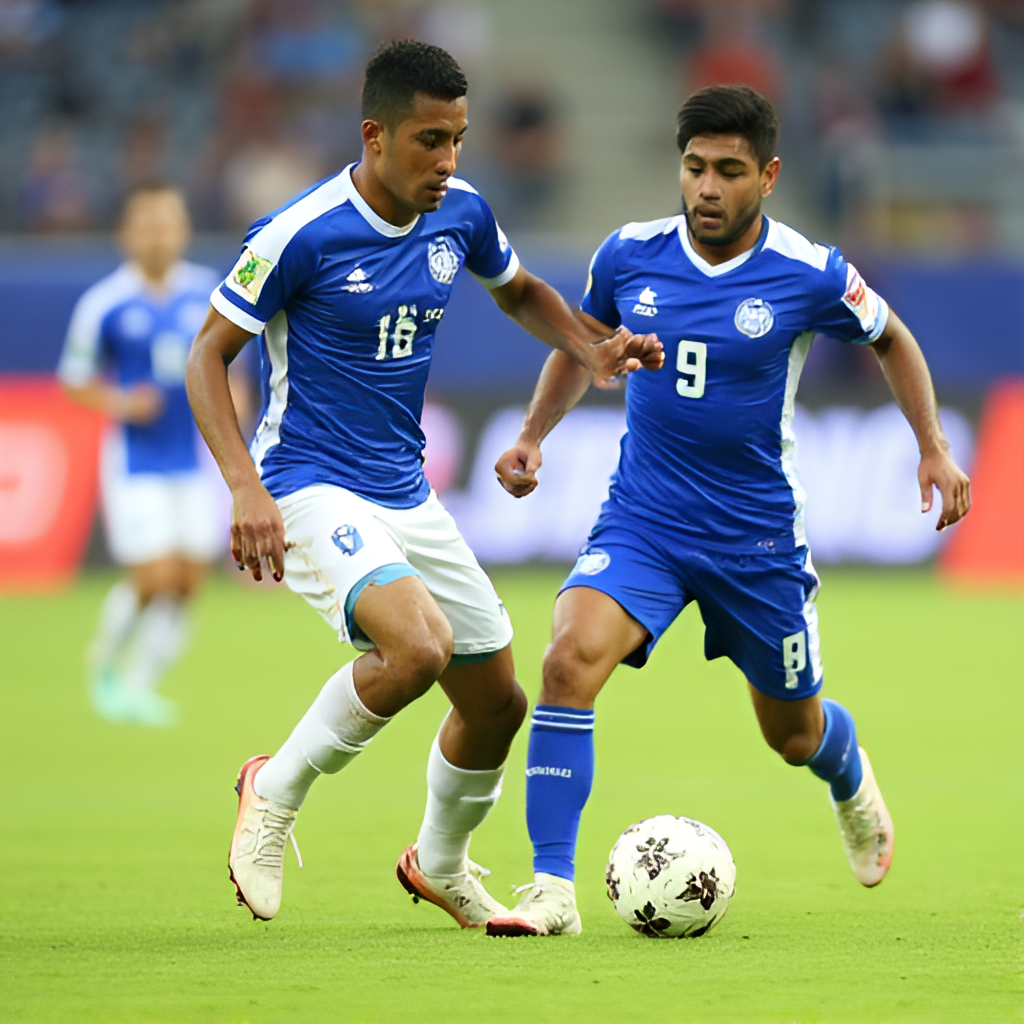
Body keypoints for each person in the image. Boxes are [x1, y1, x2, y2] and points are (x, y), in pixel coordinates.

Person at [185, 40, 662, 927]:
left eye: (458, 140)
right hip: (308, 481)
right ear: (375, 135)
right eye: (430, 141)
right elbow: (207, 355)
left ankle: (440, 864)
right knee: (418, 647)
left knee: (499, 705)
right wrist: (244, 486)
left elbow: (517, 291)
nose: (448, 162)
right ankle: (273, 789)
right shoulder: (300, 232)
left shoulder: (463, 212)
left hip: (405, 491)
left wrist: (590, 348)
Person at [487, 84, 971, 937]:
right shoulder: (628, 254)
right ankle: (552, 890)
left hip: (755, 542)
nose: (707, 188)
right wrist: (533, 434)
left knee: (789, 734)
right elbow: (583, 345)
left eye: (729, 172)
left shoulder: (809, 271)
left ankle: (846, 767)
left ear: (770, 176)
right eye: (695, 168)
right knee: (566, 662)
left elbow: (891, 337)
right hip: (645, 521)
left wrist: (931, 444)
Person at [58, 185, 239, 727]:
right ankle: (105, 661)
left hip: (192, 457)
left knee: (187, 581)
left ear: (184, 230)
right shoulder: (105, 302)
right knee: (155, 577)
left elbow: (232, 364)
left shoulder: (207, 293)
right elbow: (74, 378)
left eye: (169, 222)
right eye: (149, 223)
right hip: (136, 460)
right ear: (127, 233)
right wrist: (120, 401)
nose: (160, 232)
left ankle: (139, 685)